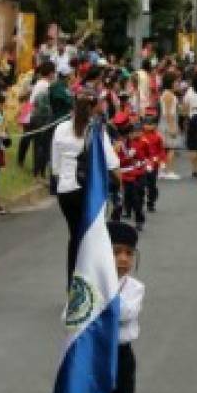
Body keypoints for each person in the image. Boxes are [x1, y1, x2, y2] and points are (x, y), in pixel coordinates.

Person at [77, 220, 145, 393]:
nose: (123, 260)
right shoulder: (85, 284)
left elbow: (124, 313)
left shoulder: (135, 287)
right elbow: (73, 316)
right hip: (93, 355)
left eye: (129, 254)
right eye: (116, 253)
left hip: (120, 356)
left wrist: (102, 294)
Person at [51, 93, 120, 289]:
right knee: (92, 237)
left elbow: (55, 164)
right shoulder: (96, 130)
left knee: (74, 237)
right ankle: (91, 283)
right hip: (88, 190)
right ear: (93, 108)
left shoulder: (60, 128)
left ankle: (72, 284)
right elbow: (112, 162)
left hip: (65, 190)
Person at [112, 114, 147, 229]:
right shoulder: (116, 143)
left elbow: (140, 156)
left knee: (135, 199)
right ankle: (115, 223)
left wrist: (139, 162)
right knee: (119, 200)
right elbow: (114, 160)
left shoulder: (132, 141)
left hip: (132, 173)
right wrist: (127, 157)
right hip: (119, 173)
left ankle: (139, 220)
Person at [139, 109, 167, 213]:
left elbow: (161, 150)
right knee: (141, 184)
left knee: (152, 185)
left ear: (155, 125)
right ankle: (140, 202)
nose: (148, 126)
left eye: (151, 124)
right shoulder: (140, 136)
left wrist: (162, 161)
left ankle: (151, 202)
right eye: (146, 124)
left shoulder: (158, 137)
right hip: (142, 164)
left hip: (154, 163)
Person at [158, 72, 183, 179]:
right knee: (171, 147)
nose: (177, 84)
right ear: (171, 83)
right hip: (168, 122)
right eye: (176, 82)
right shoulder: (169, 95)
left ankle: (162, 170)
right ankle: (168, 171)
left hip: (166, 121)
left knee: (164, 148)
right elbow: (168, 113)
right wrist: (172, 127)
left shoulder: (167, 93)